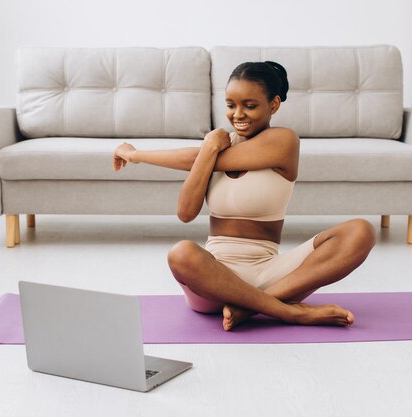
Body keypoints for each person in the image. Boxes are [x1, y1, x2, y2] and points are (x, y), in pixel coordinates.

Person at [113, 61, 376, 331]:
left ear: (273, 105)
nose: (238, 114)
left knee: (361, 231)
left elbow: (196, 158)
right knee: (181, 254)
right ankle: (290, 312)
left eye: (250, 106)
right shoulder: (214, 149)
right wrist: (208, 148)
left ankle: (251, 307)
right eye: (230, 105)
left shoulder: (284, 141)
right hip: (214, 279)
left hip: (273, 275)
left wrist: (137, 155)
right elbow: (186, 214)